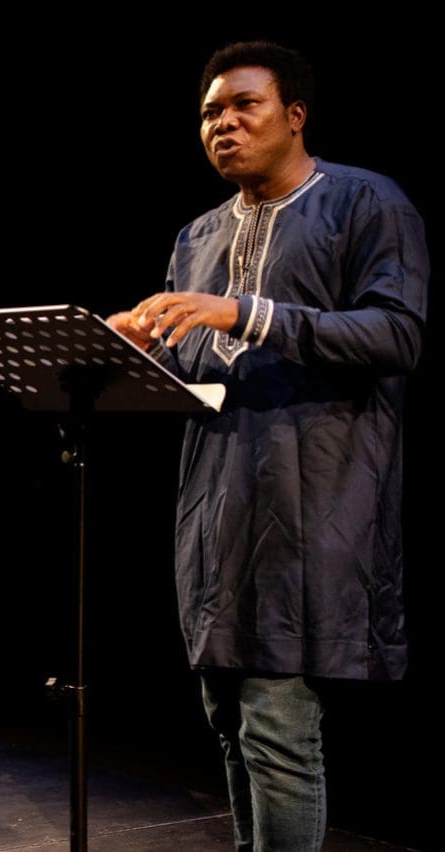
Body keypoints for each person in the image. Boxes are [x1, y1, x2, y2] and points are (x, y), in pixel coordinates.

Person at [107, 42, 427, 851]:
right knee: (227, 718)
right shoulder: (199, 235)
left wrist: (245, 312)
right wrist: (135, 350)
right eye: (211, 112)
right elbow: (196, 363)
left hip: (312, 498)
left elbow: (395, 334)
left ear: (294, 115)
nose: (224, 124)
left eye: (244, 105)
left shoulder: (365, 204)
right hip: (216, 506)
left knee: (278, 724)